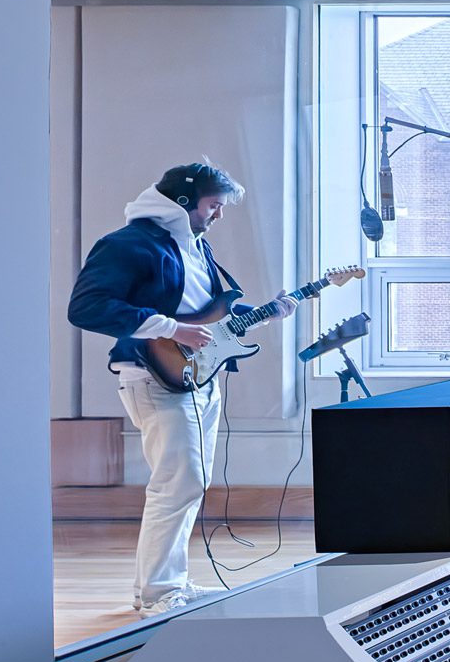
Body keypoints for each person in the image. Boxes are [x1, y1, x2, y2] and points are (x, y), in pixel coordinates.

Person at [66, 160, 292, 616]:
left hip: (198, 375)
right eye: (214, 205)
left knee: (192, 482)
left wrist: (264, 312)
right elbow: (86, 307)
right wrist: (170, 329)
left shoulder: (195, 247)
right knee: (176, 482)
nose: (219, 215)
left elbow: (200, 311)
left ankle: (175, 582)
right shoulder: (127, 244)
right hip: (151, 375)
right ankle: (155, 593)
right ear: (184, 202)